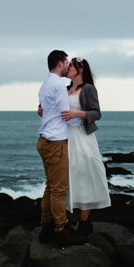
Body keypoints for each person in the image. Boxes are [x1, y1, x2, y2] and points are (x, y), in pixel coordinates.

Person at [36, 50, 86, 246]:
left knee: (50, 187)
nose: (67, 65)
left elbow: (44, 111)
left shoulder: (45, 84)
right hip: (56, 142)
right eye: (66, 62)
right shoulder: (58, 85)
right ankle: (62, 229)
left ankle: (46, 227)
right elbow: (66, 115)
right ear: (59, 63)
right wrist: (83, 120)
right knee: (58, 190)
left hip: (44, 141)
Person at [61, 57, 111, 237]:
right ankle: (67, 221)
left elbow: (97, 113)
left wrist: (77, 113)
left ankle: (84, 222)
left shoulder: (88, 88)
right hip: (65, 138)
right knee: (69, 176)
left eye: (71, 66)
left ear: (80, 70)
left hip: (82, 137)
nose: (68, 68)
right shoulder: (65, 89)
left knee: (85, 175)